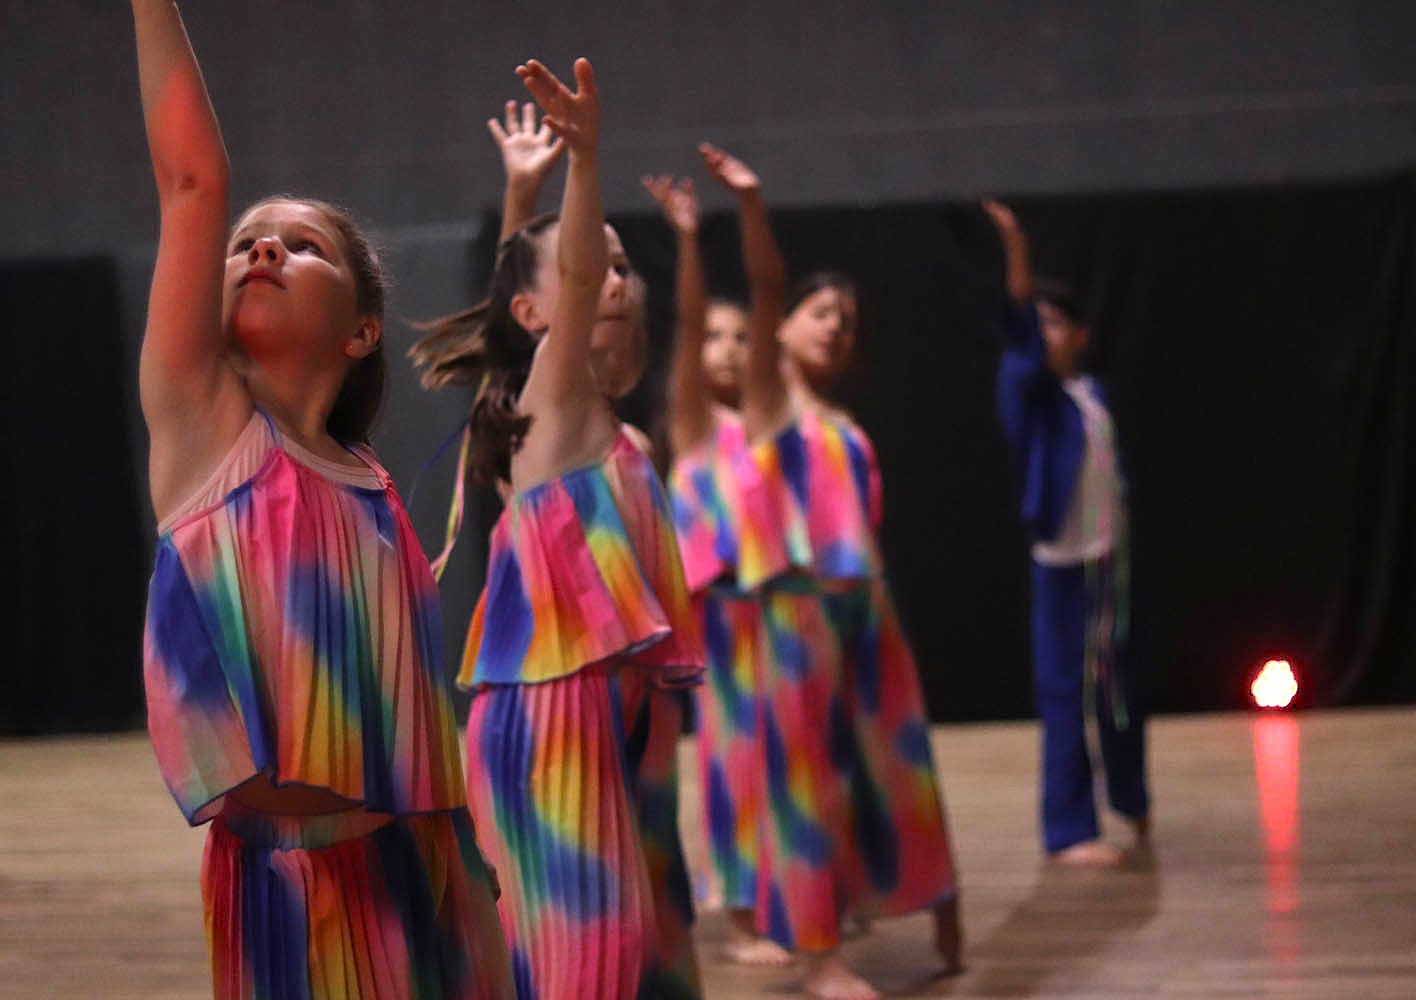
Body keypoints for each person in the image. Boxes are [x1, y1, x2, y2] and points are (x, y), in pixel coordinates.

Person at [131, 3, 514, 997]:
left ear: (361, 330)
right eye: (246, 242)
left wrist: (471, 886)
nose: (263, 250)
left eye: (302, 247)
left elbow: (415, 720)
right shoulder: (207, 426)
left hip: (419, 865)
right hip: (292, 890)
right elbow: (191, 181)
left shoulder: (370, 484)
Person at [409, 59, 703, 1000]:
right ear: (541, 314)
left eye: (623, 264)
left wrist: (525, 194)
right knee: (585, 956)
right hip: (554, 710)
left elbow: (530, 293)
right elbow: (551, 289)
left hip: (620, 709)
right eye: (596, 262)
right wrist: (583, 161)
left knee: (650, 944)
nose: (610, 278)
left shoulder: (601, 424)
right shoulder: (551, 402)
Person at [733, 242, 963, 995]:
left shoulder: (845, 422)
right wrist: (752, 212)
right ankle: (818, 955)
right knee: (808, 783)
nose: (835, 327)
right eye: (820, 312)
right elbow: (764, 285)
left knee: (899, 765)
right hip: (797, 611)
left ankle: (937, 899)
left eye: (847, 320)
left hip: (866, 602)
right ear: (782, 326)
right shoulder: (769, 406)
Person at [644, 146, 792, 966]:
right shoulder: (695, 425)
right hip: (719, 616)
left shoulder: (765, 420)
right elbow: (688, 320)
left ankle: (781, 892)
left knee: (782, 755)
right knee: (732, 761)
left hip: (773, 609)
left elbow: (771, 301)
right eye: (716, 338)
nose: (730, 348)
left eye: (742, 338)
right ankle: (739, 915)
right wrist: (691, 240)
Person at [983, 200, 1151, 866]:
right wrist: (1016, 252)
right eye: (1039, 323)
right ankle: (1069, 830)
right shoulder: (1028, 394)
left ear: (1080, 334)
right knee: (1065, 695)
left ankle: (1131, 798)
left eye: (1057, 322)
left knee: (1120, 693)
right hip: (1062, 566)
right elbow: (1020, 334)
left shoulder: (1092, 395)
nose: (1045, 333)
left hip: (1110, 564)